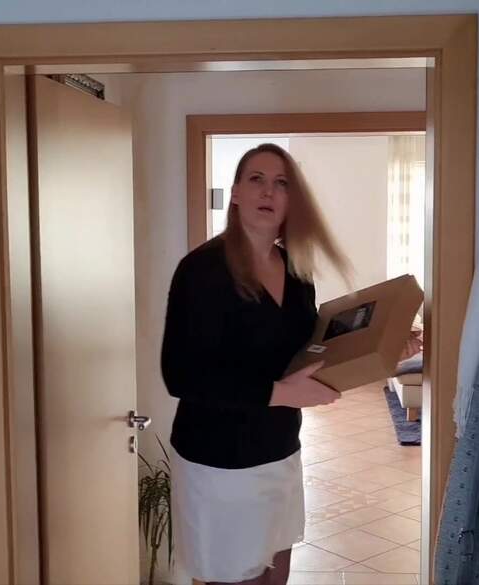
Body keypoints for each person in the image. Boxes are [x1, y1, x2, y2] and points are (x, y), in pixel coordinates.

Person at [161, 143, 420, 584]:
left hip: (280, 448)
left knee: (275, 575)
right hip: (219, 459)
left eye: (281, 183)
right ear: (236, 193)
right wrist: (280, 393)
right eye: (256, 179)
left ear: (291, 200)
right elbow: (181, 374)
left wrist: (383, 350)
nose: (269, 191)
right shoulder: (201, 270)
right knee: (234, 577)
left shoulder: (296, 272)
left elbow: (311, 354)